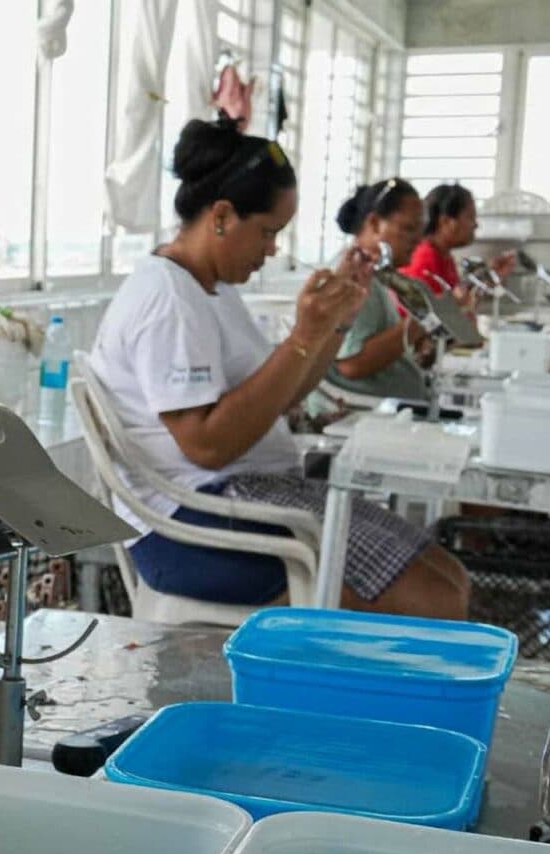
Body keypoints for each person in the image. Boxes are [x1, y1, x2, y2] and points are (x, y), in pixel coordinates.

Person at [88, 117, 470, 618]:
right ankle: (352, 695)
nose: (271, 250)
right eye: (268, 233)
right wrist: (301, 338)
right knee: (432, 602)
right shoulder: (169, 300)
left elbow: (281, 396)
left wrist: (333, 325)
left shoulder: (212, 287)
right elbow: (207, 446)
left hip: (246, 497)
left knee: (450, 578)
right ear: (222, 216)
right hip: (193, 524)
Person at [327, 178, 437, 401]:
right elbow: (352, 365)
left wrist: (417, 348)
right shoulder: (355, 276)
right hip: (366, 416)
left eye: (421, 231)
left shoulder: (378, 277)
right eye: (408, 228)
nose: (418, 240)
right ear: (375, 223)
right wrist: (424, 319)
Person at [401, 182, 516, 294]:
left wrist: (491, 276)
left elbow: (457, 303)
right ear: (446, 222)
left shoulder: (443, 256)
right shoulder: (424, 263)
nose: (476, 225)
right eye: (470, 217)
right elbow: (446, 310)